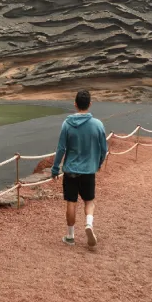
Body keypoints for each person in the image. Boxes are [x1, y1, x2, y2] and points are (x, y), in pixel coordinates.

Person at [51, 89, 108, 247]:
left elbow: (61, 148)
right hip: (89, 170)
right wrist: (98, 163)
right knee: (89, 201)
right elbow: (104, 149)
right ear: (90, 104)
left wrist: (55, 168)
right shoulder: (98, 125)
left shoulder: (67, 124)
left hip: (70, 170)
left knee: (71, 201)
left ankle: (70, 237)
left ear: (75, 104)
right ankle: (89, 224)